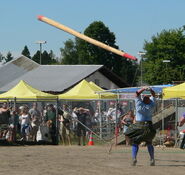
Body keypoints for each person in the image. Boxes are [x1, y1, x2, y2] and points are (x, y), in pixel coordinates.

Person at [125, 87, 156, 166]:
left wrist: (143, 88)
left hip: (139, 126)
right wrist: (150, 90)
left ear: (142, 100)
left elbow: (137, 94)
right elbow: (153, 94)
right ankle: (152, 158)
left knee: (135, 142)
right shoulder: (152, 105)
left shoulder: (139, 104)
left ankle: (134, 158)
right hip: (149, 126)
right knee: (149, 142)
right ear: (149, 101)